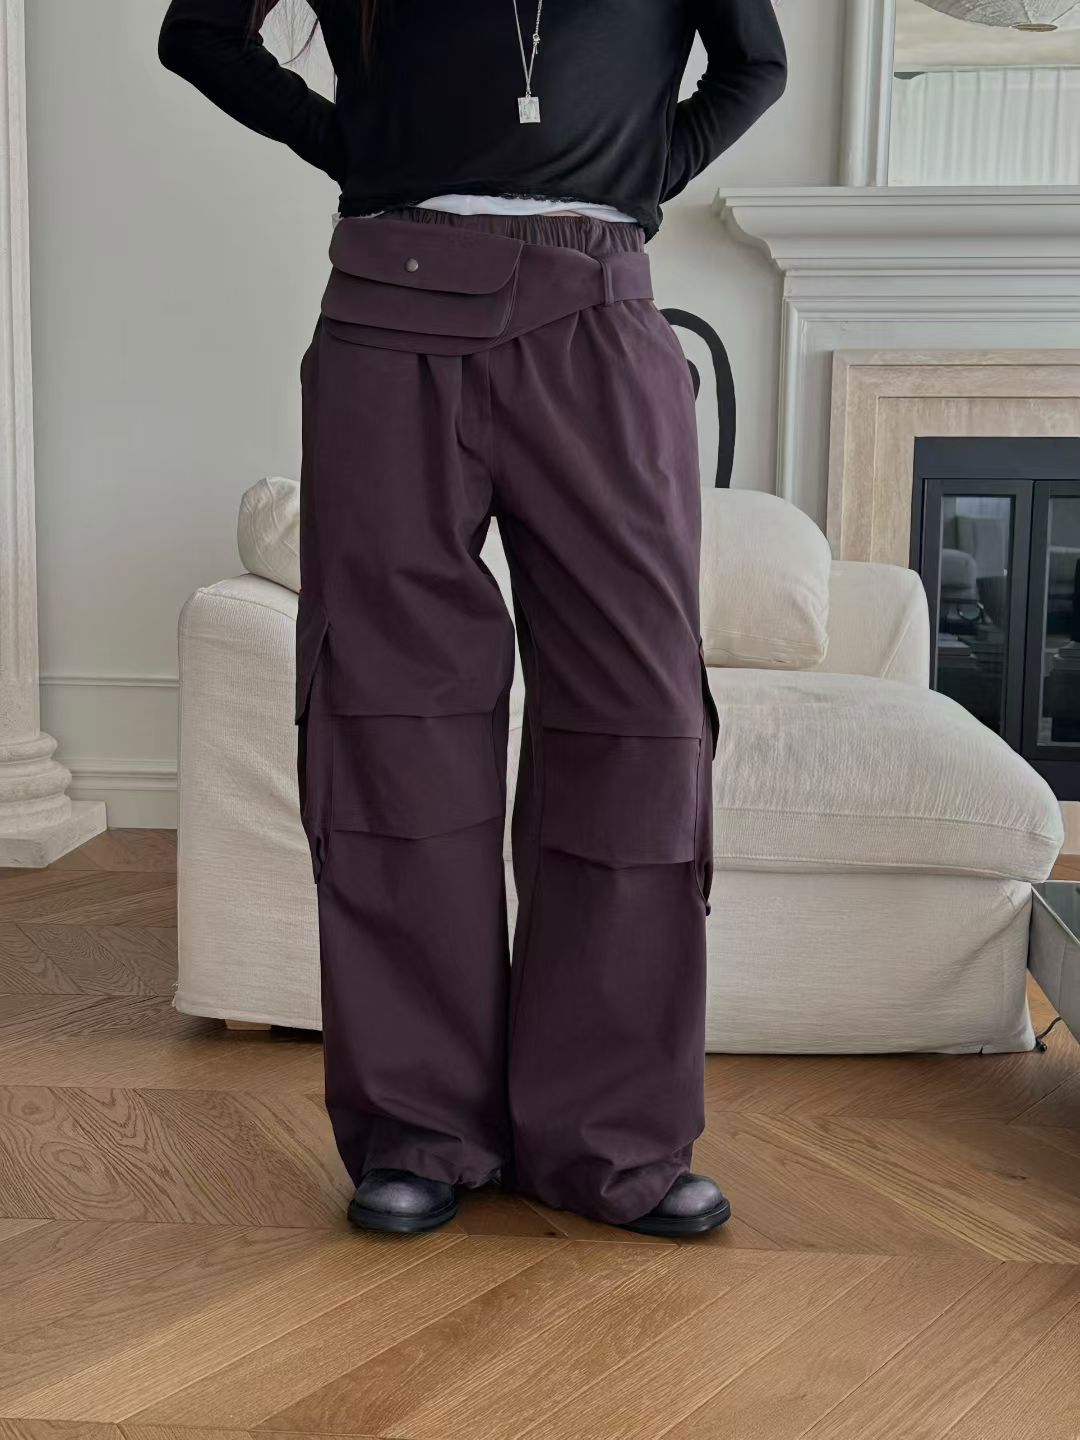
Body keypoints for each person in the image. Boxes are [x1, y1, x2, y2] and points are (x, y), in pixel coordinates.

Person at [158, 0, 787, 1238]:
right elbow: (201, 30)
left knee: (637, 717)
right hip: (389, 311)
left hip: (602, 312)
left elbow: (754, 63)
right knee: (391, 716)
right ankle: (419, 1130)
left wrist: (635, 171)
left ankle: (611, 1139)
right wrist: (357, 146)